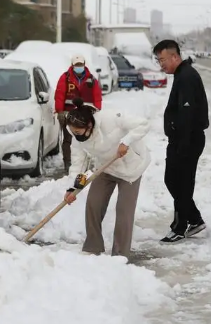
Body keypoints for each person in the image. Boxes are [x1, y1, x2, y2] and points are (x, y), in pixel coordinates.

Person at [63, 98, 151, 258]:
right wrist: (72, 188)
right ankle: (93, 247)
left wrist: (127, 141)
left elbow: (143, 124)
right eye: (72, 132)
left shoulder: (111, 119)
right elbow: (78, 163)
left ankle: (120, 254)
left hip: (131, 168)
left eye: (77, 132)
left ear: (89, 126)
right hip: (106, 167)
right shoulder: (77, 137)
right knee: (93, 204)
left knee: (124, 211)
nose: (75, 135)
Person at [153, 40, 209, 244]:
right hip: (183, 138)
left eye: (162, 60)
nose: (161, 65)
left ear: (175, 57)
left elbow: (187, 112)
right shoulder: (182, 74)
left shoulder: (185, 77)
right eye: (159, 61)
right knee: (175, 181)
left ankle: (180, 226)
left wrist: (183, 143)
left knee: (180, 183)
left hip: (187, 139)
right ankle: (194, 219)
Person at [54, 54, 103, 173]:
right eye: (77, 65)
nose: (79, 67)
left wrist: (97, 110)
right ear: (72, 65)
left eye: (81, 64)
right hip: (69, 113)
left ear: (84, 65)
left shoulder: (91, 79)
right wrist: (60, 111)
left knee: (86, 137)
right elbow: (59, 95)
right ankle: (68, 163)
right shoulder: (65, 78)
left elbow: (97, 96)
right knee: (68, 139)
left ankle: (85, 163)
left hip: (86, 113)